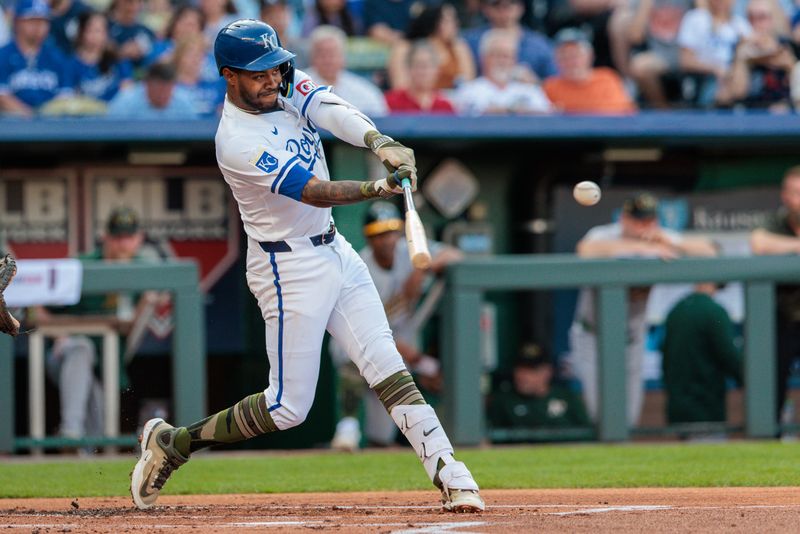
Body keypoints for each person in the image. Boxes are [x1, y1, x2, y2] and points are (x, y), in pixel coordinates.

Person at [129, 19, 485, 514]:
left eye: (274, 67)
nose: (272, 79)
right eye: (257, 74)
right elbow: (310, 190)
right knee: (287, 408)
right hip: (287, 266)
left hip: (336, 250)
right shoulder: (235, 140)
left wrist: (378, 141)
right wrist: (375, 190)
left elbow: (328, 106)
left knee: (385, 362)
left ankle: (451, 472)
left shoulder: (283, 79)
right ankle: (175, 443)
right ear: (229, 76)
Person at [569, 192, 716, 427]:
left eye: (648, 220)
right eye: (637, 220)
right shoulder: (604, 235)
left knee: (629, 415)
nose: (643, 226)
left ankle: (620, 461)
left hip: (631, 338)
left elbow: (709, 251)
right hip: (593, 335)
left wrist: (669, 243)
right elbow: (585, 250)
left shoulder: (661, 238)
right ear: (624, 219)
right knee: (599, 414)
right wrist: (640, 247)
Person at [330, 202, 462, 450]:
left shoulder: (408, 251)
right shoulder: (360, 267)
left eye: (391, 232)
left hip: (400, 337)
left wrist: (423, 267)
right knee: (350, 358)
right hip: (360, 339)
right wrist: (410, 354)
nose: (387, 240)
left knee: (382, 434)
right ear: (369, 238)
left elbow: (455, 255)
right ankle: (347, 426)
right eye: (379, 234)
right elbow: (363, 329)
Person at [39, 208, 149, 444]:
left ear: (138, 239)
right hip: (66, 356)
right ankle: (70, 433)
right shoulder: (82, 264)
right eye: (118, 237)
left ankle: (78, 448)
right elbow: (36, 304)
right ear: (106, 237)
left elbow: (130, 328)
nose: (123, 244)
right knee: (81, 348)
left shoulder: (145, 270)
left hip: (106, 366)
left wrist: (146, 303)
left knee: (97, 426)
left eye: (128, 237)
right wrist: (59, 335)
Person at [750, 165, 800, 426]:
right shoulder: (777, 221)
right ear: (785, 196)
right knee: (771, 378)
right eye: (794, 192)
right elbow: (759, 244)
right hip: (783, 318)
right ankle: (770, 432)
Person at [661, 282, 742, 427]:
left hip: (678, 404)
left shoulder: (676, 310)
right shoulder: (714, 312)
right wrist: (750, 381)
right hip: (706, 403)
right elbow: (730, 356)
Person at [488, 343, 590, 435]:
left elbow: (587, 434)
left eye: (531, 370)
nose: (523, 376)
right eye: (520, 369)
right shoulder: (503, 401)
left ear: (547, 372)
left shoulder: (568, 398)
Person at [0, 0, 75, 117]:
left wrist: (45, 116)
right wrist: (30, 115)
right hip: (11, 127)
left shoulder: (57, 57)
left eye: (43, 21)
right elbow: (2, 96)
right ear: (18, 21)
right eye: (32, 20)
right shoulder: (4, 55)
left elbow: (65, 96)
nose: (39, 26)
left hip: (50, 126)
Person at [452, 28, 554, 114]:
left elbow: (548, 116)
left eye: (507, 56)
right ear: (483, 59)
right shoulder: (468, 91)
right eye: (497, 55)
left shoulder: (530, 91)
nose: (502, 61)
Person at [616, 0, 695, 108]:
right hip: (660, 55)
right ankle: (662, 110)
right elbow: (635, 37)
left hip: (688, 53)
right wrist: (646, 4)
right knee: (639, 66)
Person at [543, 27, 637, 114]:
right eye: (564, 57)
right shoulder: (551, 87)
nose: (570, 62)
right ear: (556, 61)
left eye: (575, 55)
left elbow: (623, 111)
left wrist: (567, 110)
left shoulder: (606, 79)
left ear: (590, 56)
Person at [676, 0, 751, 107]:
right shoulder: (695, 18)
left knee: (741, 63)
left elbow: (753, 49)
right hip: (705, 77)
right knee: (719, 80)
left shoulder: (740, 24)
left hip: (733, 75)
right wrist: (716, 69)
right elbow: (685, 61)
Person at [462, 0, 557, 83]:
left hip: (525, 98)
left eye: (511, 2)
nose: (503, 9)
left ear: (521, 7)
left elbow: (556, 80)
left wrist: (535, 83)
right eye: (496, 3)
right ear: (485, 8)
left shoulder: (539, 44)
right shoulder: (470, 41)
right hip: (482, 98)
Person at [303, 25, 388, 116]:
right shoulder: (298, 83)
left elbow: (381, 120)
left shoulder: (365, 90)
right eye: (322, 54)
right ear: (312, 57)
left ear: (343, 57)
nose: (327, 60)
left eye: (332, 54)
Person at [388, 3, 476, 90]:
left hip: (454, 99)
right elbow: (400, 85)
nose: (456, 24)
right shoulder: (404, 48)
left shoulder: (458, 46)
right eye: (449, 20)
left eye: (455, 19)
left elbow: (469, 82)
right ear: (434, 22)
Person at [728, 0, 797, 110]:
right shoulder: (738, 47)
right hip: (750, 114)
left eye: (762, 17)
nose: (755, 24)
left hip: (784, 115)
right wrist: (742, 59)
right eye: (750, 18)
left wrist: (789, 65)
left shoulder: (787, 46)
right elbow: (736, 93)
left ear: (773, 18)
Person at [72, 11, 133, 103]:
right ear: (81, 32)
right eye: (91, 30)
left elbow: (128, 92)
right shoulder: (71, 64)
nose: (96, 36)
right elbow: (69, 97)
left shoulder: (118, 60)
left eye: (100, 31)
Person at [384, 40, 457, 113]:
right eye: (418, 65)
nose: (423, 72)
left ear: (437, 71)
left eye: (428, 66)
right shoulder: (390, 102)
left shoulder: (445, 106)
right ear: (408, 68)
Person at [107, 62, 198, 118]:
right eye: (160, 90)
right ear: (147, 85)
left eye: (168, 90)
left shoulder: (183, 101)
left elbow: (194, 132)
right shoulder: (126, 102)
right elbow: (111, 131)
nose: (163, 95)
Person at [107, 0, 156, 68]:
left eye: (138, 2)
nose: (134, 7)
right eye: (130, 2)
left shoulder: (147, 32)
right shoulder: (105, 25)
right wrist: (120, 52)